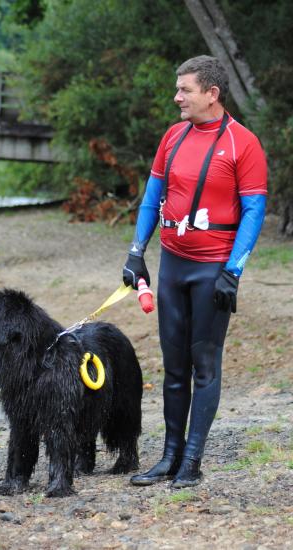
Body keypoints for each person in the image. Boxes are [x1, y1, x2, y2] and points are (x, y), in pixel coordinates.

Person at [123, 55, 267, 488]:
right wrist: (136, 252)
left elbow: (255, 210)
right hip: (174, 266)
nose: (177, 97)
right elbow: (151, 199)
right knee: (173, 367)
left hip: (212, 271)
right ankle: (168, 456)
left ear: (211, 94)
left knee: (204, 365)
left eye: (184, 90)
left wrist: (233, 270)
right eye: (178, 89)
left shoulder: (244, 143)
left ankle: (192, 461)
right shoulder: (173, 137)